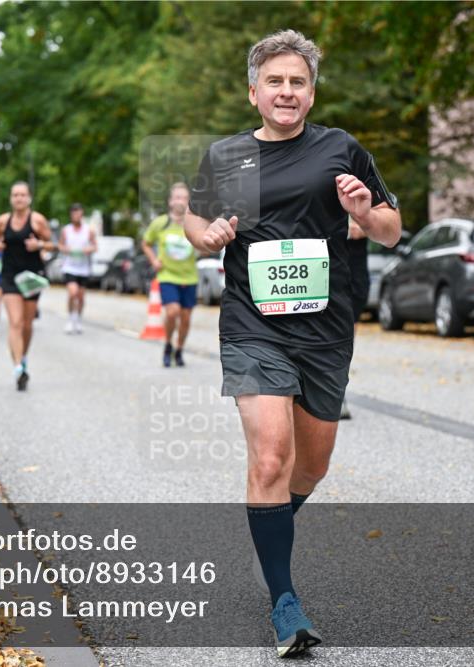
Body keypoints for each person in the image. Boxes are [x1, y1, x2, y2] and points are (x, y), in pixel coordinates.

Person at [183, 30, 401, 658]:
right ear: (254, 92)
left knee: (312, 465)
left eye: (297, 81)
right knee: (272, 458)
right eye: (274, 81)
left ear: (311, 92)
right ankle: (284, 602)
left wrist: (364, 209)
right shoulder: (225, 157)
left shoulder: (342, 149)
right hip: (254, 325)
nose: (286, 91)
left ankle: (268, 536)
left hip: (326, 331)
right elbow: (195, 220)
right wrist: (209, 235)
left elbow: (390, 230)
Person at [0, 181, 53, 390]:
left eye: (22, 195)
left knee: (27, 325)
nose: (18, 198)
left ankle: (23, 356)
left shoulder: (37, 220)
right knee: (16, 322)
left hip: (31, 276)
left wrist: (39, 245)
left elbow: (51, 243)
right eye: (15, 195)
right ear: (11, 199)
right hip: (10, 276)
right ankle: (19, 367)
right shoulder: (3, 220)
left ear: (29, 198)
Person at [142, 182, 199, 367]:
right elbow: (146, 243)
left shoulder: (194, 223)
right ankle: (167, 344)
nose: (180, 201)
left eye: (184, 197)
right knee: (172, 311)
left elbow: (203, 245)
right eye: (177, 197)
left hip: (189, 277)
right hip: (167, 276)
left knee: (186, 318)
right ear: (170, 201)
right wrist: (154, 261)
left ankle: (179, 349)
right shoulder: (160, 223)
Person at [340, 218, 370, 420]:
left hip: (354, 277)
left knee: (346, 339)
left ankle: (338, 392)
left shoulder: (363, 189)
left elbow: (363, 230)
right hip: (326, 272)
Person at [58, 203, 96, 334]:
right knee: (72, 293)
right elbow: (60, 246)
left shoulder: (88, 230)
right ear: (71, 215)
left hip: (83, 268)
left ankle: (78, 319)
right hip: (70, 267)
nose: (76, 215)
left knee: (80, 297)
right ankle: (70, 319)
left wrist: (87, 250)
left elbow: (95, 246)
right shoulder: (66, 230)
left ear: (82, 214)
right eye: (74, 213)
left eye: (78, 212)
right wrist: (66, 249)